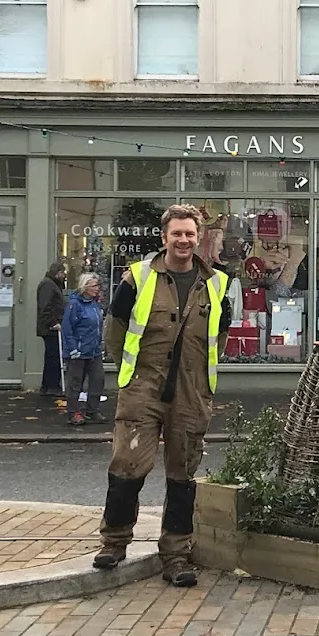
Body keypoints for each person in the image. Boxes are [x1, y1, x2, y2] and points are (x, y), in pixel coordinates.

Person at [93, 204, 232, 587]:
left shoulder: (218, 283)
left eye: (190, 234)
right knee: (127, 467)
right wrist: (130, 375)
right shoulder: (137, 278)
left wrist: (202, 382)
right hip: (143, 389)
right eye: (177, 234)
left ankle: (176, 554)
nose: (184, 240)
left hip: (191, 393)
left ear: (199, 238)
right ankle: (114, 542)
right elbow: (116, 330)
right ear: (164, 237)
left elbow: (221, 333)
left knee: (182, 476)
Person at [61, 273, 107, 426]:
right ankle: (73, 412)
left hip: (93, 350)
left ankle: (92, 410)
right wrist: (73, 348)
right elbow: (67, 329)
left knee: (97, 380)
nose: (97, 289)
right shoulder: (74, 305)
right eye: (94, 286)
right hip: (78, 352)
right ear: (85, 286)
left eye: (97, 285)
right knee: (75, 383)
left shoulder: (94, 304)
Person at [35, 262, 66, 396]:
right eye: (63, 272)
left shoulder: (50, 284)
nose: (64, 275)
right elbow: (45, 306)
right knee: (54, 356)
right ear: (58, 272)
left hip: (50, 325)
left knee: (51, 356)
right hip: (51, 327)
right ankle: (52, 386)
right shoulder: (48, 285)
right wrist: (53, 323)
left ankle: (47, 386)